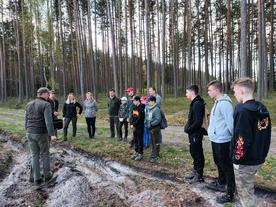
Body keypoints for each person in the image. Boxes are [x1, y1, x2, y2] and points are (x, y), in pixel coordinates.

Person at [231, 77, 271, 207]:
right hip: (258, 157)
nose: (234, 94)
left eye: (236, 91)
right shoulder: (261, 108)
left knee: (245, 194)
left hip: (245, 162)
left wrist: (237, 160)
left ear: (242, 91)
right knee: (248, 188)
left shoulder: (244, 111)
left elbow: (242, 140)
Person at [206, 80, 236, 204]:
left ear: (217, 90)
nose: (208, 92)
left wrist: (231, 139)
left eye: (209, 90)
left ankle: (230, 193)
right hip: (216, 139)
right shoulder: (217, 103)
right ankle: (221, 182)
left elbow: (230, 124)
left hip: (223, 140)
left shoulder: (224, 104)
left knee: (226, 165)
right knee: (218, 162)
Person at [25, 87, 57, 185]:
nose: (48, 96)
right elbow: (48, 121)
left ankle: (37, 178)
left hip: (30, 132)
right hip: (41, 133)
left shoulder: (29, 104)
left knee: (34, 155)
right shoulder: (46, 104)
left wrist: (27, 130)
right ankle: (47, 175)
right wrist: (52, 134)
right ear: (43, 94)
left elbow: (26, 120)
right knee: (45, 154)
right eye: (47, 94)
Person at [184, 85, 206, 184]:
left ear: (192, 92)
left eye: (187, 92)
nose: (186, 94)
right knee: (193, 152)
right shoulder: (195, 103)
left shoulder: (197, 104)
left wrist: (189, 129)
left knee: (197, 153)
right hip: (193, 133)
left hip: (196, 133)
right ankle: (195, 171)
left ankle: (199, 175)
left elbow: (198, 121)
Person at [146, 96, 162, 162]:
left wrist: (152, 124)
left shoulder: (156, 109)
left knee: (156, 141)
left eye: (149, 102)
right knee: (152, 141)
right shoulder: (150, 108)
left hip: (155, 128)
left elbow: (158, 119)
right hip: (151, 127)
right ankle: (153, 153)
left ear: (153, 101)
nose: (148, 103)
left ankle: (157, 154)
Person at [130, 96, 145, 161]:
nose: (133, 102)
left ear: (138, 100)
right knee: (135, 139)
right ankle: (136, 151)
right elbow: (133, 117)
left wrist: (134, 124)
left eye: (134, 101)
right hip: (134, 127)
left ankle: (140, 153)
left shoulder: (141, 107)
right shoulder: (134, 107)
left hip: (139, 127)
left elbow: (140, 118)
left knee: (139, 140)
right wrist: (131, 124)